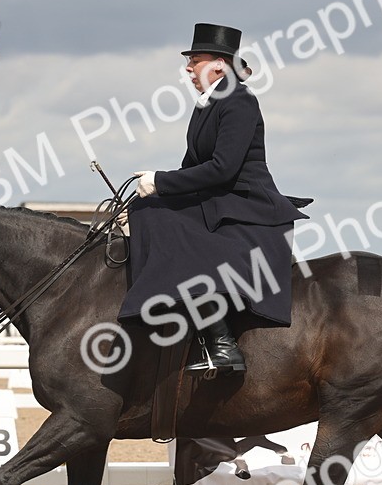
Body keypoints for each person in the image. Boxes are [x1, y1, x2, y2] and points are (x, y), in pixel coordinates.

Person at [119, 23, 310, 376]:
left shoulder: (239, 101)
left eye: (195, 61)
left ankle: (222, 343)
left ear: (219, 65)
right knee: (146, 209)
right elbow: (191, 168)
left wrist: (159, 182)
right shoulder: (206, 105)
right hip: (220, 199)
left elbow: (223, 168)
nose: (188, 69)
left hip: (246, 205)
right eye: (189, 62)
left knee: (166, 222)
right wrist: (147, 194)